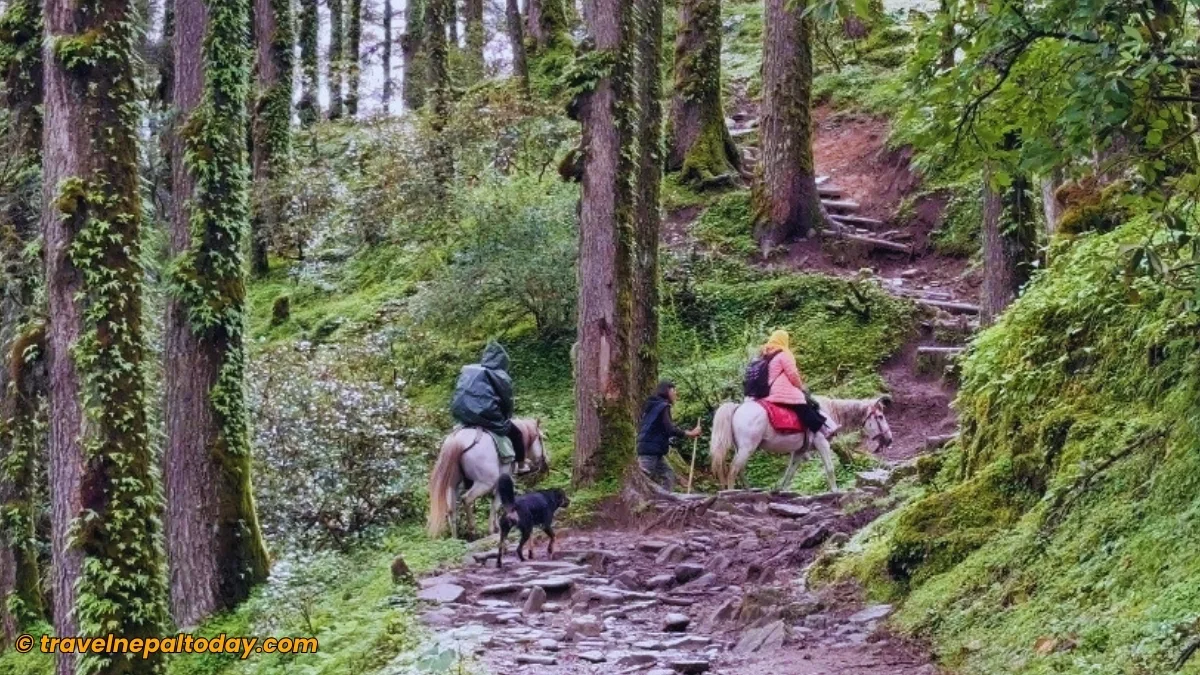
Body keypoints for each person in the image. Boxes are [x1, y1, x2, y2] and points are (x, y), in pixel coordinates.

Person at [450, 341, 525, 467]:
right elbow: (507, 399)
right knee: (516, 434)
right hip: (487, 414)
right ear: (503, 361)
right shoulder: (500, 375)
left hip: (462, 414)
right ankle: (521, 465)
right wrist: (507, 415)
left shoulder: (469, 369)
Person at [761, 330, 837, 437]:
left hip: (769, 390)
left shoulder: (766, 355)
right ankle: (824, 430)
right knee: (804, 405)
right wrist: (800, 387)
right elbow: (793, 374)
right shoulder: (783, 354)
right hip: (782, 390)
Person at [636, 380, 702, 491]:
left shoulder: (653, 405)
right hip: (650, 450)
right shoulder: (662, 406)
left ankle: (665, 497)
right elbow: (670, 429)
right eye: (673, 390)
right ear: (666, 391)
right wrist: (690, 433)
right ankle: (634, 499)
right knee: (643, 476)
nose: (675, 393)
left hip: (653, 449)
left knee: (668, 474)